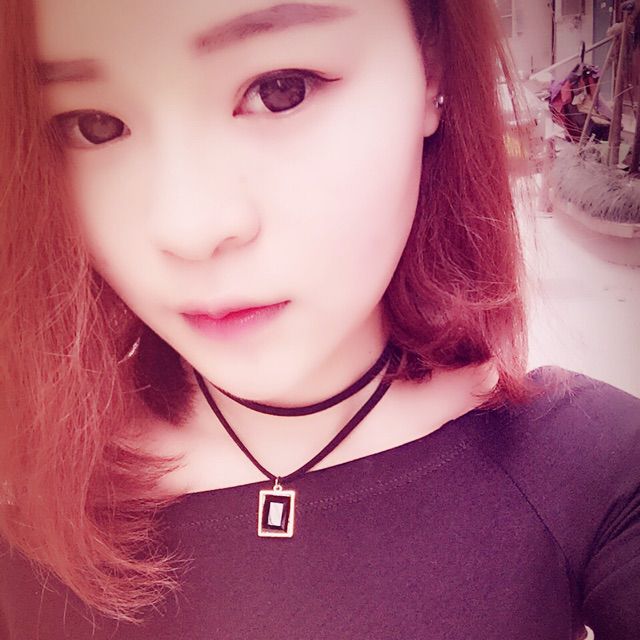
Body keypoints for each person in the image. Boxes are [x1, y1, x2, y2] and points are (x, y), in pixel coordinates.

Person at [0, 1, 638, 638]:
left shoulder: (587, 468)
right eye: (93, 126)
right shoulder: (27, 505)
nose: (189, 230)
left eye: (281, 90)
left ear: (431, 67)